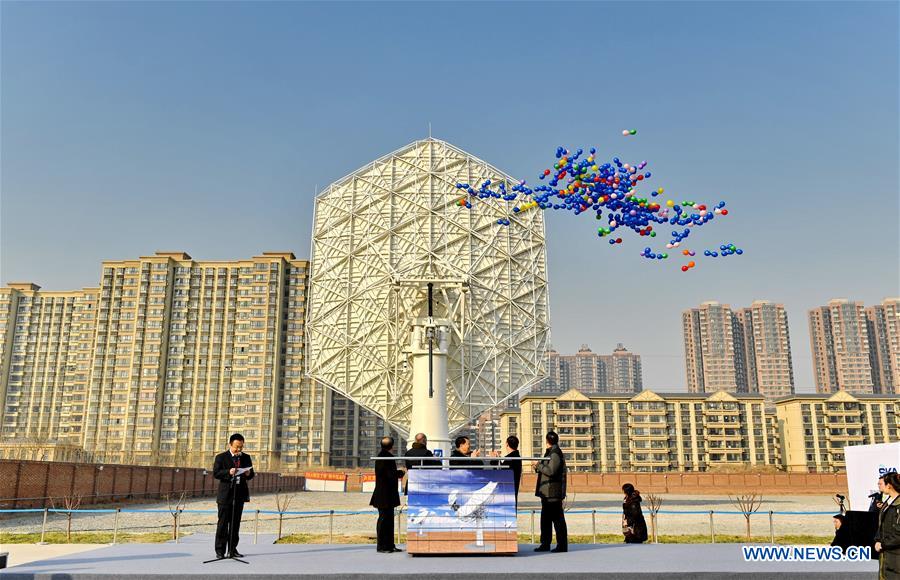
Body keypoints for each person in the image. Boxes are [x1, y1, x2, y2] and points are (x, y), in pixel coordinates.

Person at [213, 433, 254, 559]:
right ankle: (220, 551)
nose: (239, 449)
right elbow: (216, 473)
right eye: (236, 447)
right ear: (230, 444)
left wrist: (248, 473)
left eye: (241, 447)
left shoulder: (246, 457)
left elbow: (252, 474)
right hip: (225, 496)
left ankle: (232, 550)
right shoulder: (221, 457)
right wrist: (228, 472)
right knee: (223, 524)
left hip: (239, 495)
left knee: (235, 524)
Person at [533, 431, 567, 553]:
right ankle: (545, 543)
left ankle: (561, 545)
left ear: (547, 441)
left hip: (552, 492)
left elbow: (551, 471)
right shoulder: (551, 452)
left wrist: (538, 466)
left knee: (557, 520)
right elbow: (547, 469)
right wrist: (538, 467)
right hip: (547, 492)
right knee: (546, 520)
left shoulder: (555, 453)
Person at [370, 436, 405, 553]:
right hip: (385, 495)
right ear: (392, 446)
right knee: (384, 520)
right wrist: (400, 472)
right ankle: (382, 546)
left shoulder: (382, 456)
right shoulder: (386, 457)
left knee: (388, 520)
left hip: (385, 494)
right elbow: (389, 475)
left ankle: (389, 545)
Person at [875, 471, 900, 579]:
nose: (878, 485)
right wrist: (878, 540)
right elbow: (882, 525)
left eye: (881, 483)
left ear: (889, 485)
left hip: (896, 556)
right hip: (887, 555)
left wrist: (883, 544)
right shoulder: (888, 502)